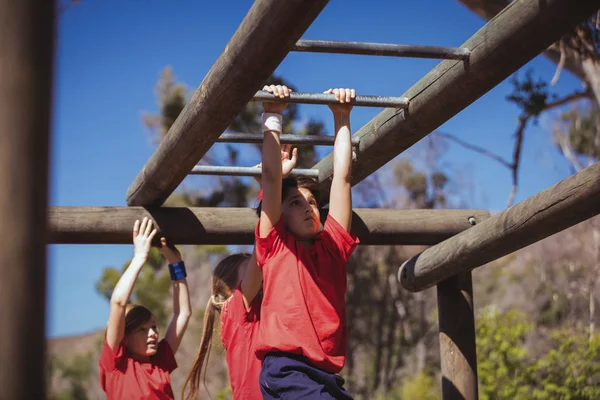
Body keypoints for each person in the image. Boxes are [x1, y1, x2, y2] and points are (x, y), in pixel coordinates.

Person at [256, 85, 359, 399]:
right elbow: (273, 179)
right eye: (295, 204)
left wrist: (342, 117)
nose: (307, 208)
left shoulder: (334, 248)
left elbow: (342, 177)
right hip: (287, 369)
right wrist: (273, 115)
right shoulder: (275, 246)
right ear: (279, 215)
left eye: (312, 203)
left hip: (325, 374)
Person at [99, 217, 192, 400]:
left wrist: (175, 262)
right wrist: (140, 257)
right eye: (142, 329)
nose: (152, 334)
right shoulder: (116, 364)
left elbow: (182, 313)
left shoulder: (160, 361)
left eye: (154, 327)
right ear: (124, 337)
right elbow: (118, 302)